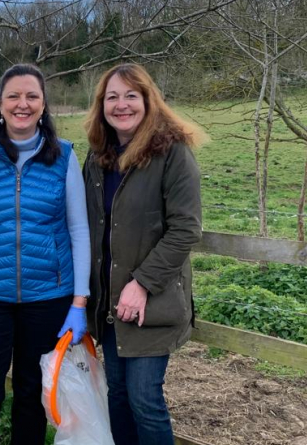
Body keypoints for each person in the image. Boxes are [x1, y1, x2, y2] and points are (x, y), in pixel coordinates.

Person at [0, 64, 91, 445]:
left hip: (48, 299)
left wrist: (79, 303)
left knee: (32, 395)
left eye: (32, 96)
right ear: (1, 104)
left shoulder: (64, 158)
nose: (22, 104)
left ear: (44, 105)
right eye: (13, 96)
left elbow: (78, 231)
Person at [83, 63, 203, 445]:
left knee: (144, 399)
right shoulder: (98, 157)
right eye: (112, 97)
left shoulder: (172, 153)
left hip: (150, 302)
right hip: (109, 305)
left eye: (131, 95)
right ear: (102, 105)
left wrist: (143, 283)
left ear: (148, 100)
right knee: (117, 396)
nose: (122, 105)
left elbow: (185, 228)